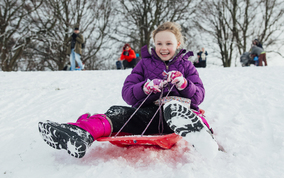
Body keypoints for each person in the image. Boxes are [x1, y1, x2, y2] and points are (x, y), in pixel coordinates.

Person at [38, 21, 218, 159]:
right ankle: (81, 133)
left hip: (177, 113)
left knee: (176, 110)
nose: (163, 48)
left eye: (168, 43)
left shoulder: (187, 66)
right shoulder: (144, 64)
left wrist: (184, 84)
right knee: (117, 113)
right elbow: (128, 92)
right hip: (149, 115)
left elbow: (199, 96)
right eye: (159, 43)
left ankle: (201, 135)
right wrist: (145, 88)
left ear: (177, 44)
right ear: (154, 44)